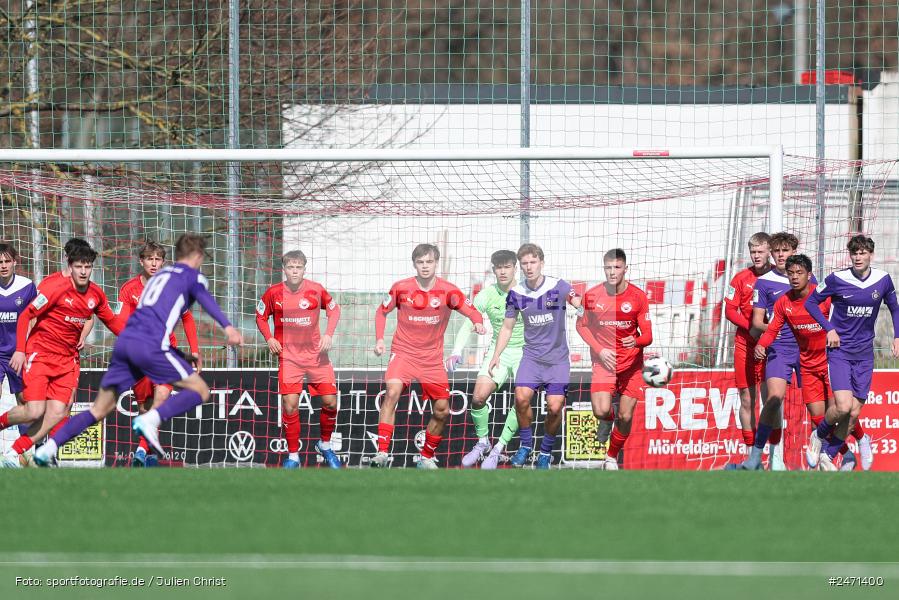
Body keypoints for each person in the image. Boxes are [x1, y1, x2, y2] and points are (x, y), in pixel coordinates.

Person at [34, 233, 243, 466]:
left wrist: (184, 352)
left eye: (158, 259)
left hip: (127, 345)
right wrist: (228, 328)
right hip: (153, 347)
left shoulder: (158, 279)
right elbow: (206, 300)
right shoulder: (190, 278)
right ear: (196, 256)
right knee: (200, 390)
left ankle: (48, 448)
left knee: (100, 408)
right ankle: (150, 420)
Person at [0, 243, 122, 467]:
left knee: (57, 413)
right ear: (70, 266)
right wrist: (20, 349)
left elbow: (113, 322)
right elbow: (26, 316)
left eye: (88, 266)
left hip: (67, 362)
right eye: (79, 266)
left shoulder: (95, 294)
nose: (84, 271)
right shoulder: (54, 287)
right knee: (33, 411)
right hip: (42, 355)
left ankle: (13, 453)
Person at [372, 243, 485, 469]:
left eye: (429, 262)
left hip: (432, 360)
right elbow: (381, 311)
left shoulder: (448, 291)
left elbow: (471, 309)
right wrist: (379, 339)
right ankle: (382, 453)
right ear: (414, 264)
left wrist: (478, 322)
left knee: (442, 409)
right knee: (392, 392)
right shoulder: (401, 288)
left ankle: (426, 456)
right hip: (403, 353)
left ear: (436, 263)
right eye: (420, 262)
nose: (425, 266)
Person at [805, 235, 899, 471]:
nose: (858, 257)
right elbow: (810, 303)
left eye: (862, 253)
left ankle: (829, 453)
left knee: (854, 412)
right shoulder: (837, 279)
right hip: (839, 351)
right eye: (854, 253)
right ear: (850, 255)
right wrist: (829, 329)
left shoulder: (883, 280)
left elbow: (895, 308)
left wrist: (897, 336)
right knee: (843, 406)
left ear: (870, 255)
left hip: (865, 353)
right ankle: (819, 435)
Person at [489, 243, 582, 469]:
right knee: (521, 398)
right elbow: (507, 327)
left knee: (555, 407)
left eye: (532, 262)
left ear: (541, 262)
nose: (529, 267)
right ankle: (526, 445)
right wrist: (496, 355)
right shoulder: (517, 293)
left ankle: (546, 452)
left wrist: (586, 309)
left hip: (558, 360)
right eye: (525, 264)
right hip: (531, 358)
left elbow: (579, 303)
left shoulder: (558, 286)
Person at [257, 250, 342, 469]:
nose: (294, 271)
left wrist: (328, 334)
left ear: (304, 269)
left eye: (299, 267)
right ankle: (293, 456)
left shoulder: (316, 289)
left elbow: (334, 310)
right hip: (289, 358)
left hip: (316, 356)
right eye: (290, 267)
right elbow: (260, 316)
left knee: (330, 401)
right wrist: (269, 338)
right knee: (291, 405)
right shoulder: (273, 293)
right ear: (284, 269)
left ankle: (324, 445)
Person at [119, 241, 199, 466]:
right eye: (149, 259)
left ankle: (141, 451)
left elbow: (187, 317)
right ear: (141, 261)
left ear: (163, 262)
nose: (153, 263)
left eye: (158, 259)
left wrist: (194, 350)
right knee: (146, 406)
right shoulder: (129, 289)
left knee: (161, 397)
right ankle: (150, 453)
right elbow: (121, 322)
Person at [576, 248, 652, 471]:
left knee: (626, 415)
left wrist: (636, 341)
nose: (612, 272)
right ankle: (607, 421)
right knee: (600, 411)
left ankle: (611, 457)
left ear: (625, 269)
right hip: (604, 363)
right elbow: (581, 326)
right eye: (608, 267)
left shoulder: (638, 297)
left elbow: (648, 335)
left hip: (631, 366)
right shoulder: (591, 296)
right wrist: (600, 350)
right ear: (604, 268)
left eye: (617, 267)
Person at [448, 250, 524, 469]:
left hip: (527, 352)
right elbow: (469, 321)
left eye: (507, 266)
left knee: (522, 400)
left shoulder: (526, 292)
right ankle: (483, 443)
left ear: (514, 269)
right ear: (493, 270)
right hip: (498, 351)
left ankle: (499, 448)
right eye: (498, 267)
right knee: (478, 397)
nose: (502, 271)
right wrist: (456, 350)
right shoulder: (485, 295)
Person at [724, 232, 771, 451]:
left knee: (771, 400)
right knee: (746, 399)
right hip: (745, 344)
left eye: (760, 251)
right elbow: (730, 311)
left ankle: (774, 452)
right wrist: (750, 327)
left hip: (771, 345)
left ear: (769, 251)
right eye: (753, 252)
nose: (756, 256)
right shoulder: (740, 278)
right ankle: (752, 455)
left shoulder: (780, 277)